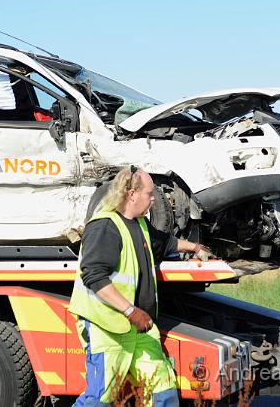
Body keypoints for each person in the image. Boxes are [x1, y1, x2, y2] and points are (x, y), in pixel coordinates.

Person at [68, 165, 215, 406]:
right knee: (100, 399)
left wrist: (195, 248)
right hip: (106, 327)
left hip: (139, 327)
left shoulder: (139, 225)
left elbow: (164, 243)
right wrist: (130, 310)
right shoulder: (105, 226)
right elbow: (94, 277)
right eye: (149, 194)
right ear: (131, 193)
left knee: (163, 392)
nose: (154, 199)